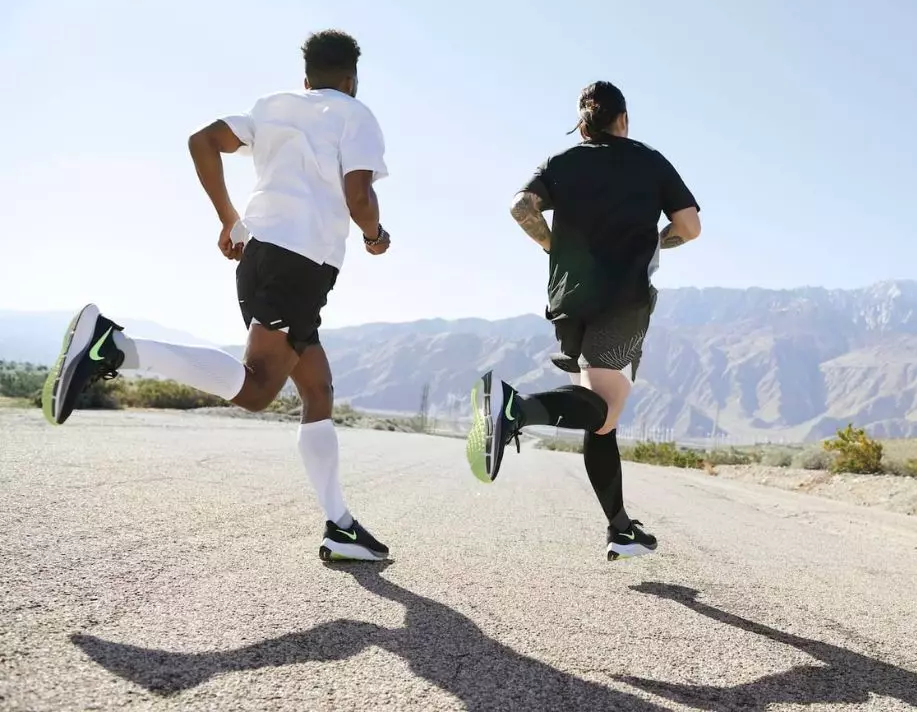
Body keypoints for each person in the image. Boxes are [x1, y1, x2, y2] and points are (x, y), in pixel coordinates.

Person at [42, 29, 392, 563]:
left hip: (261, 256)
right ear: (350, 79)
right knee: (255, 391)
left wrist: (231, 219)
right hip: (300, 263)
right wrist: (374, 235)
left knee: (316, 389)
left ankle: (339, 525)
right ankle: (114, 346)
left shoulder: (273, 106)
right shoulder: (354, 112)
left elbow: (202, 140)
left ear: (305, 78)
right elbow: (359, 195)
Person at [467, 80, 702, 561]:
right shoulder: (648, 160)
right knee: (606, 410)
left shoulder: (562, 162)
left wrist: (552, 245)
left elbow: (520, 206)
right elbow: (690, 226)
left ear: (582, 122)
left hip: (569, 299)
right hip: (624, 296)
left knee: (599, 420)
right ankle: (515, 409)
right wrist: (657, 242)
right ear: (624, 119)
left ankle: (620, 528)